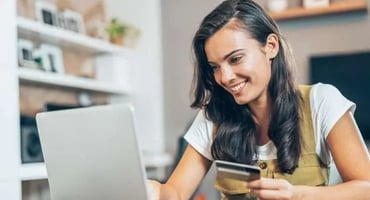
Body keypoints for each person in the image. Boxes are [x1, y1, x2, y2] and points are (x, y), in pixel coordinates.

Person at [148, 0, 370, 199]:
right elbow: (174, 193)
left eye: (235, 59)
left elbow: (366, 187)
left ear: (271, 46)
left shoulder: (321, 101)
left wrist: (296, 195)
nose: (224, 78)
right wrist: (148, 188)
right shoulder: (213, 117)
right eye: (215, 67)